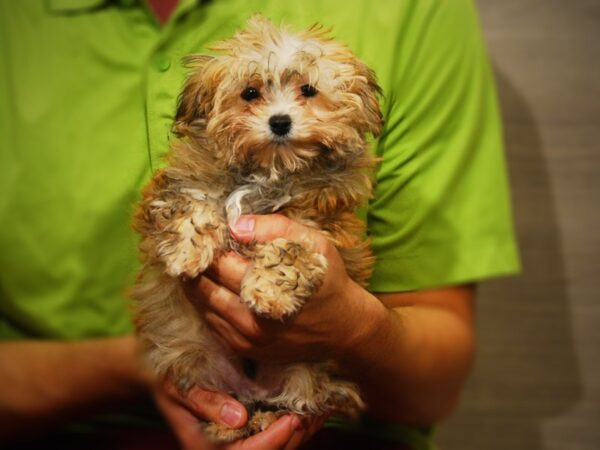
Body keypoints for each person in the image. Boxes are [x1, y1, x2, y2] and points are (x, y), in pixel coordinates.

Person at [0, 0, 520, 449]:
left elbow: (437, 382)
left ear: (356, 106)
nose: (279, 114)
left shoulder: (415, 16)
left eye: (305, 93)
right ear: (204, 110)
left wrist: (350, 328)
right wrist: (142, 363)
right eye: (252, 95)